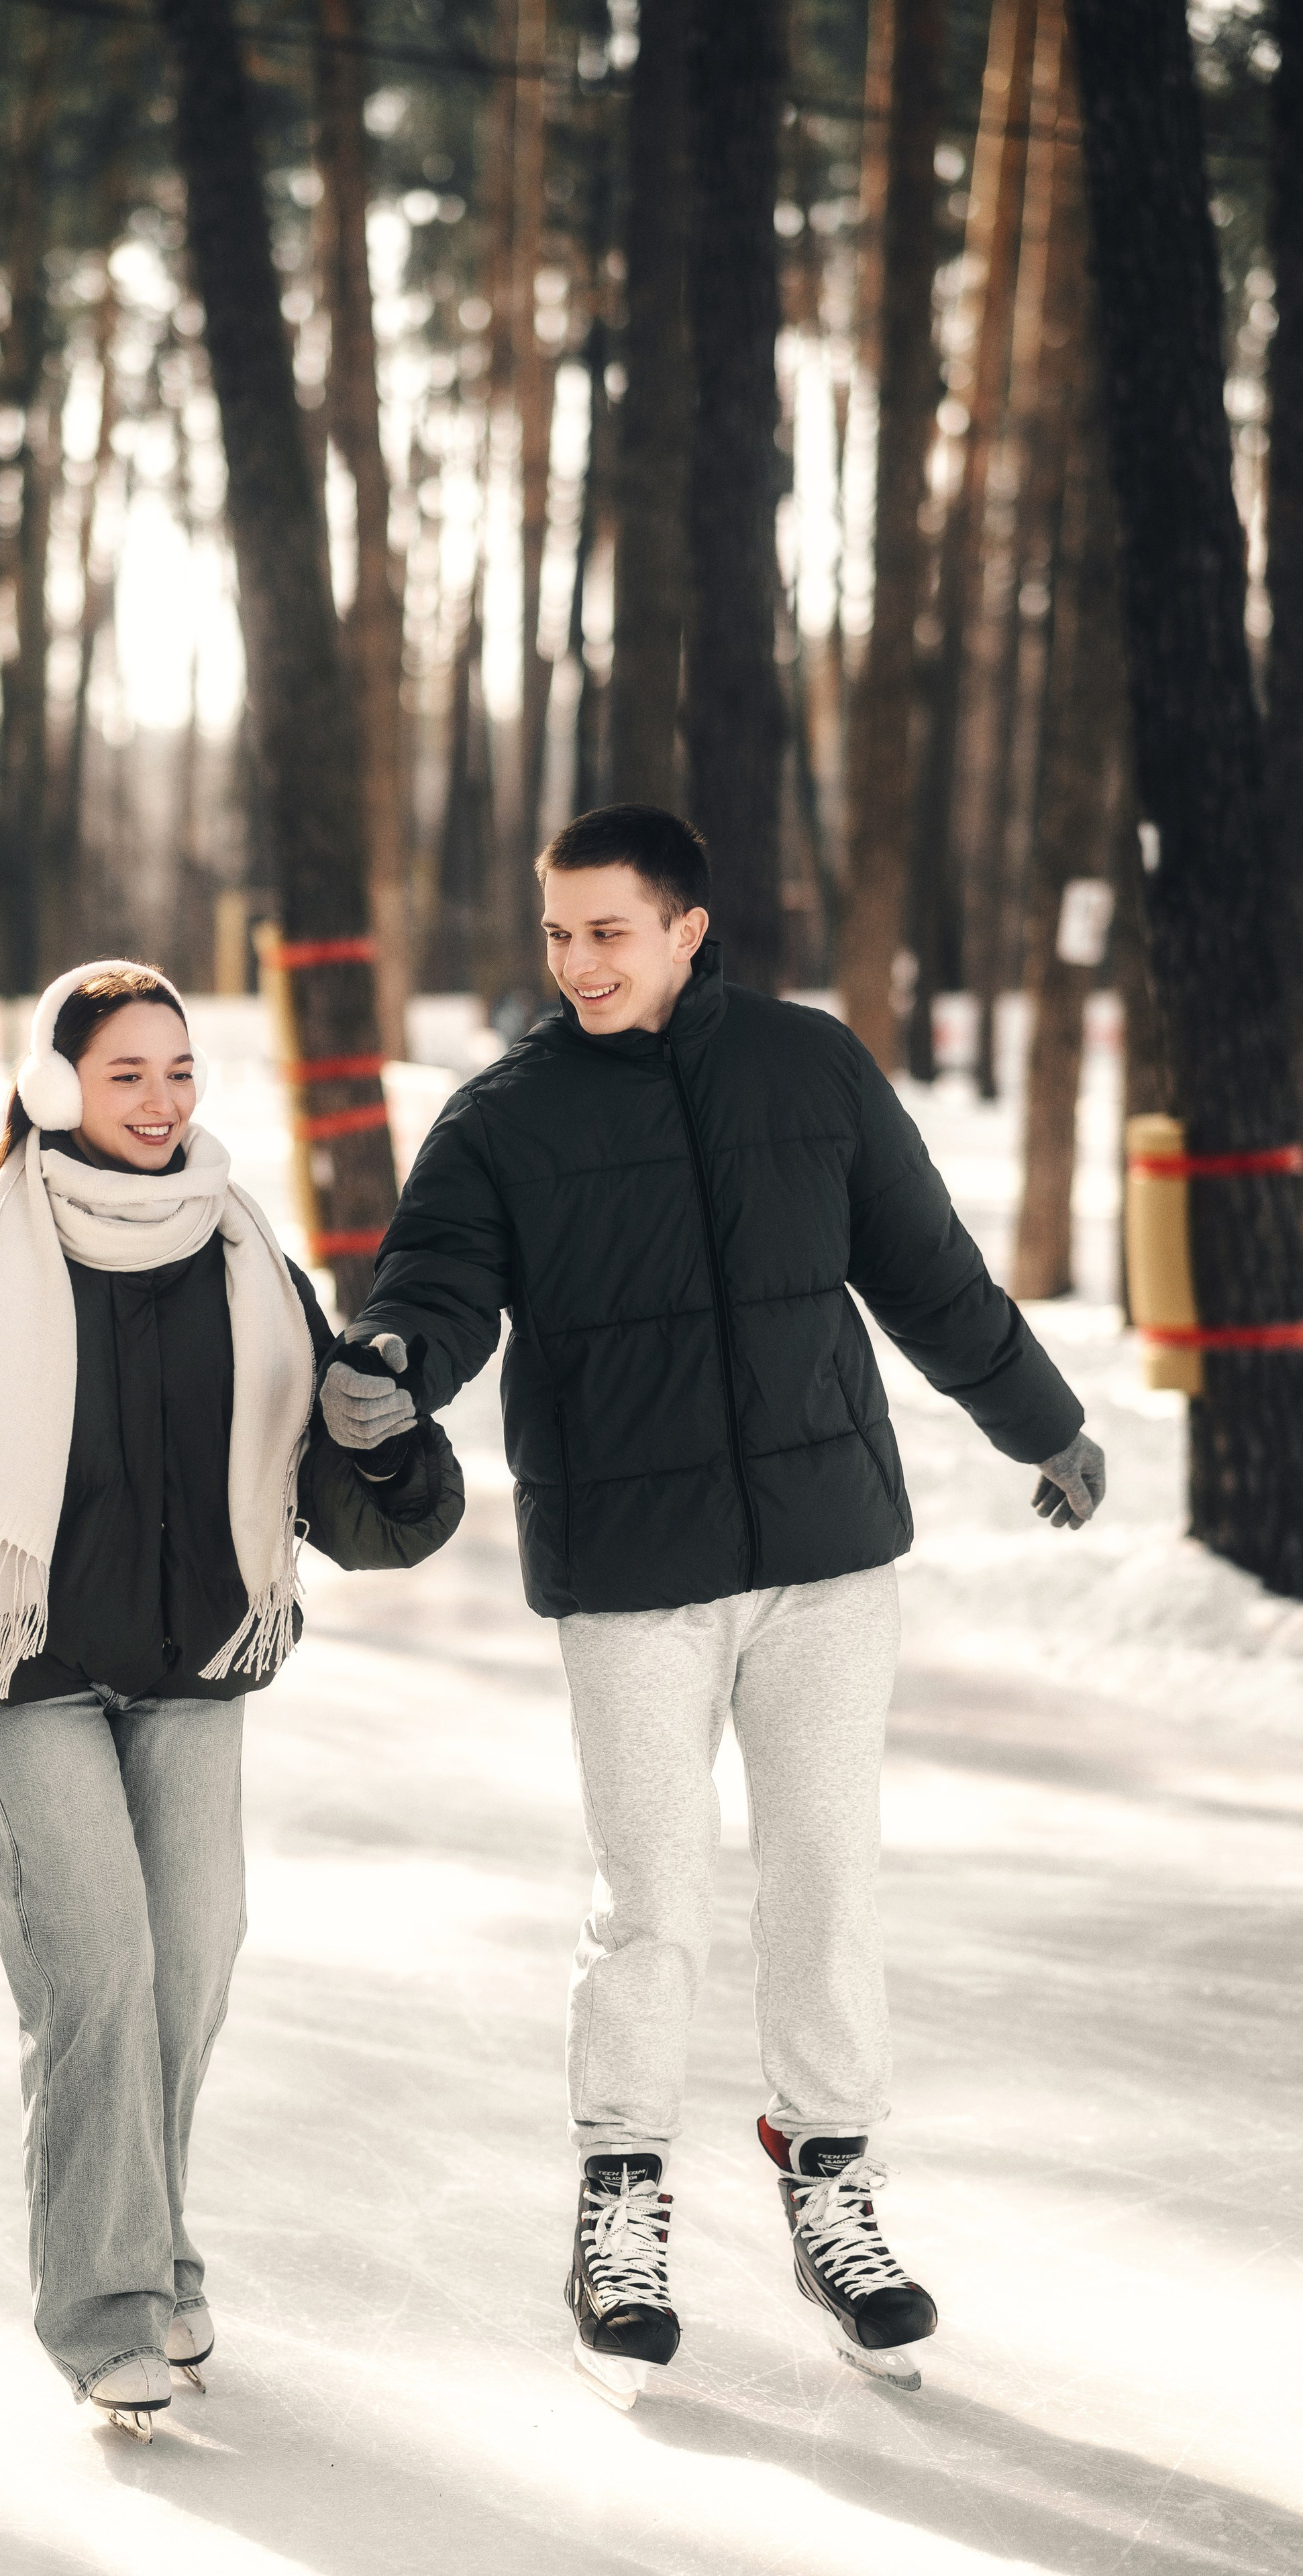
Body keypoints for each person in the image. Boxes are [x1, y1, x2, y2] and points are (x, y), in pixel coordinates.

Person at [321, 808, 1104, 2409]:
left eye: (606, 930)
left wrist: (1041, 1422)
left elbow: (928, 1275)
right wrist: (393, 1365)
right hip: (628, 1573)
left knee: (823, 1876)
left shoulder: (808, 1074)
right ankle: (618, 2199)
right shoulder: (501, 1120)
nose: (575, 962)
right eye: (555, 935)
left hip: (821, 1557)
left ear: (687, 929)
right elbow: (435, 1286)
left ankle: (829, 2181)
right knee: (652, 1903)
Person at [0, 960, 464, 2440]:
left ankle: (157, 2255)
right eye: (125, 1073)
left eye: (179, 1071)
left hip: (196, 1669)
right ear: (59, 1089)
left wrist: (387, 1455)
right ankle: (105, 2309)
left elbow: (328, 1486)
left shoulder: (247, 1258)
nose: (160, 1101)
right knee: (100, 1979)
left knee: (187, 1965)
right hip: (32, 1674)